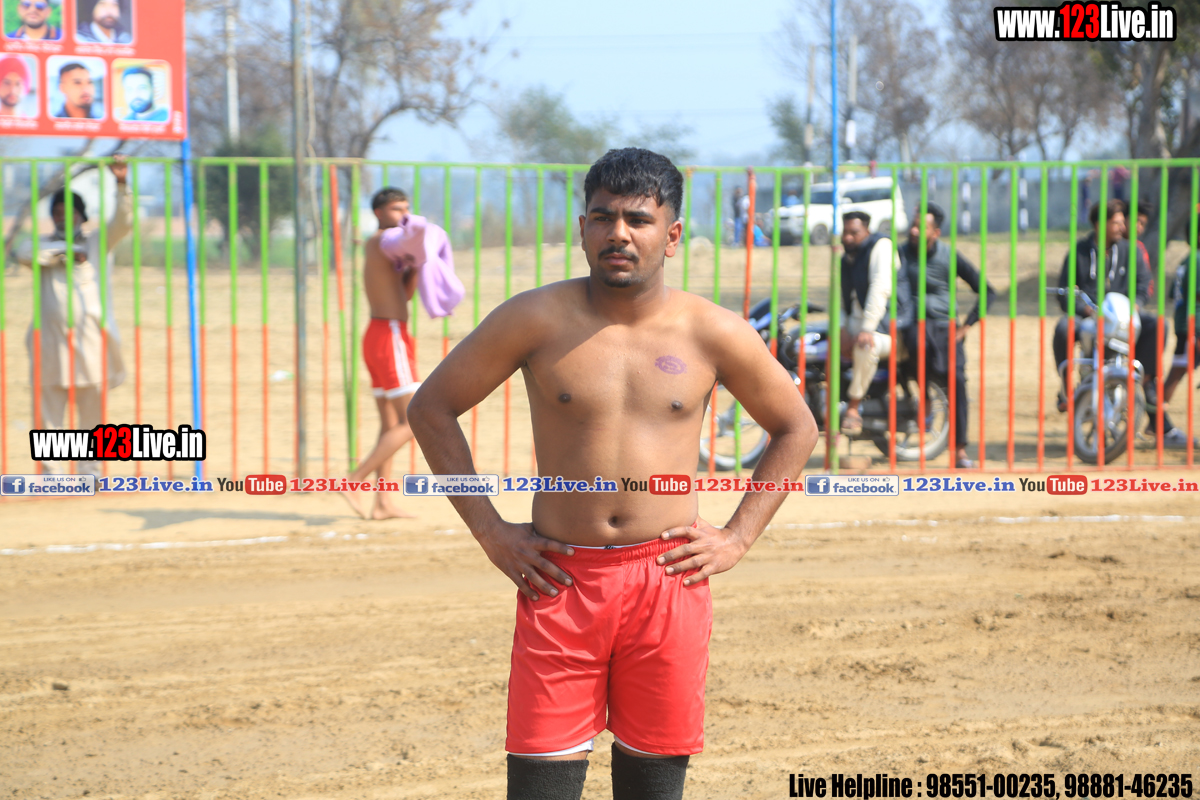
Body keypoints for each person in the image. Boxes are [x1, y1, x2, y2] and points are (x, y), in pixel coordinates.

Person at [407, 148, 817, 800]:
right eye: (602, 218)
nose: (618, 234)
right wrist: (490, 530)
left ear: (671, 236)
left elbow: (797, 427)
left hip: (668, 580)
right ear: (582, 228)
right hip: (559, 579)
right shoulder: (535, 318)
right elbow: (430, 408)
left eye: (638, 220)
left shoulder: (714, 331)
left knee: (652, 790)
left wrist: (737, 537)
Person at [15, 156, 132, 477]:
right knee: (49, 411)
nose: (63, 218)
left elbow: (123, 222)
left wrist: (121, 184)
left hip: (90, 341)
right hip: (50, 343)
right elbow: (23, 252)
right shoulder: (43, 246)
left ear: (81, 215)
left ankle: (90, 471)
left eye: (69, 213)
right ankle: (51, 473)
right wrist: (61, 252)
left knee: (92, 411)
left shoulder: (97, 243)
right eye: (57, 214)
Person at [339, 188, 419, 520]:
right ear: (378, 212)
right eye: (396, 208)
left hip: (381, 334)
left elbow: (405, 295)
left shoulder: (390, 250)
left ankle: (383, 502)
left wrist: (417, 266)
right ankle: (354, 480)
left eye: (406, 208)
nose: (403, 214)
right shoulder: (380, 241)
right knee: (413, 420)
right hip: (389, 335)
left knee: (390, 424)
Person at [897, 202, 997, 469]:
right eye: (913, 225)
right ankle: (924, 398)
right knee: (913, 344)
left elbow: (987, 291)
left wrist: (966, 326)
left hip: (944, 328)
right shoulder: (901, 254)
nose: (914, 231)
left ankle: (959, 450)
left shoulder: (949, 256)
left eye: (921, 227)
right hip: (913, 325)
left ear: (936, 232)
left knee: (958, 382)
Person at [1053, 199, 1163, 415]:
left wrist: (1136, 305)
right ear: (1099, 224)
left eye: (1123, 222)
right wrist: (1085, 309)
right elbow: (1065, 292)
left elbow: (1144, 285)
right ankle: (1066, 385)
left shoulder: (1131, 251)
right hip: (1089, 316)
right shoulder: (1079, 252)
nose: (1123, 227)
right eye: (1116, 223)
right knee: (1064, 328)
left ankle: (1147, 381)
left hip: (1123, 314)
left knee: (1156, 325)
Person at [838, 210, 901, 436]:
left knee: (866, 346)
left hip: (887, 329)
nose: (848, 237)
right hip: (856, 326)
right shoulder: (847, 259)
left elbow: (880, 288)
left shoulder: (881, 247)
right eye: (845, 232)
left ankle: (853, 407)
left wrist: (866, 328)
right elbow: (842, 298)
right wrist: (842, 329)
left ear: (867, 231)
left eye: (854, 232)